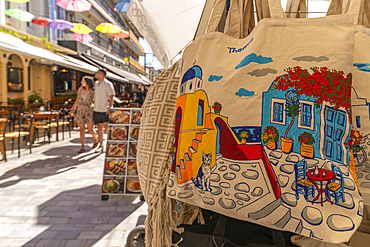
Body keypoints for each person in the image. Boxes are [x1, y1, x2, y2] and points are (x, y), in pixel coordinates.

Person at [70, 76, 98, 153]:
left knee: (90, 130)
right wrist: (72, 109)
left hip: (89, 111)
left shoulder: (93, 92)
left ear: (87, 82)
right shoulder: (79, 90)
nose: (81, 82)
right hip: (80, 111)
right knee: (81, 130)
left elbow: (95, 102)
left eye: (83, 81)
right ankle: (82, 147)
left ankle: (96, 139)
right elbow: (77, 101)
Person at [94, 68, 115, 153]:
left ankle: (111, 145)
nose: (95, 74)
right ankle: (101, 145)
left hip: (105, 109)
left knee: (107, 127)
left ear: (101, 74)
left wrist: (110, 108)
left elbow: (111, 96)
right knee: (99, 127)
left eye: (96, 73)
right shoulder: (95, 83)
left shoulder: (108, 84)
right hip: (96, 109)